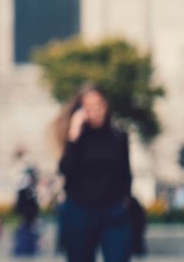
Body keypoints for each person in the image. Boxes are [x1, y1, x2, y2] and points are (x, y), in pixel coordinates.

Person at [54, 85, 134, 262]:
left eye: (99, 105)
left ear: (106, 106)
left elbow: (126, 173)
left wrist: (125, 201)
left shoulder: (118, 137)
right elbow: (65, 169)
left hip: (113, 212)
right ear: (81, 110)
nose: (95, 111)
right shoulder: (76, 139)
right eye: (89, 106)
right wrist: (74, 132)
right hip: (80, 211)